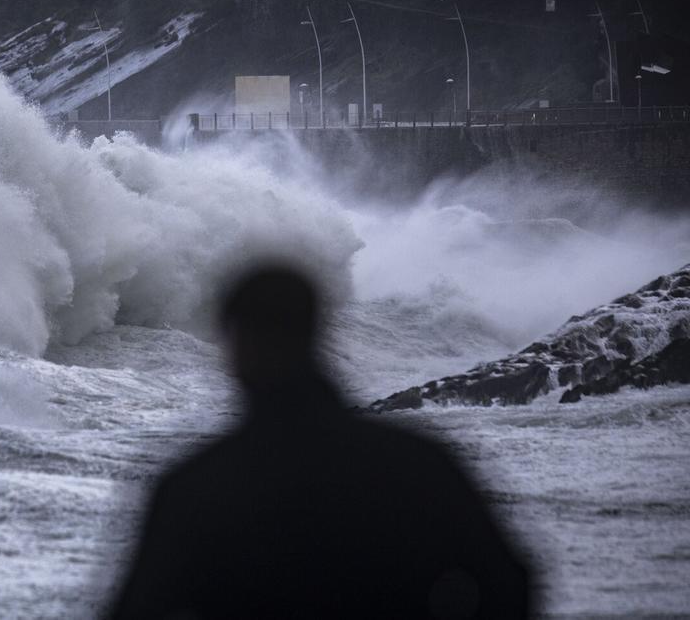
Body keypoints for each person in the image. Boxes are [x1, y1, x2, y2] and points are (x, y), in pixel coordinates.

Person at [106, 263, 532, 619]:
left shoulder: (198, 485)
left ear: (233, 345)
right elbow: (509, 584)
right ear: (316, 333)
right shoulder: (417, 462)